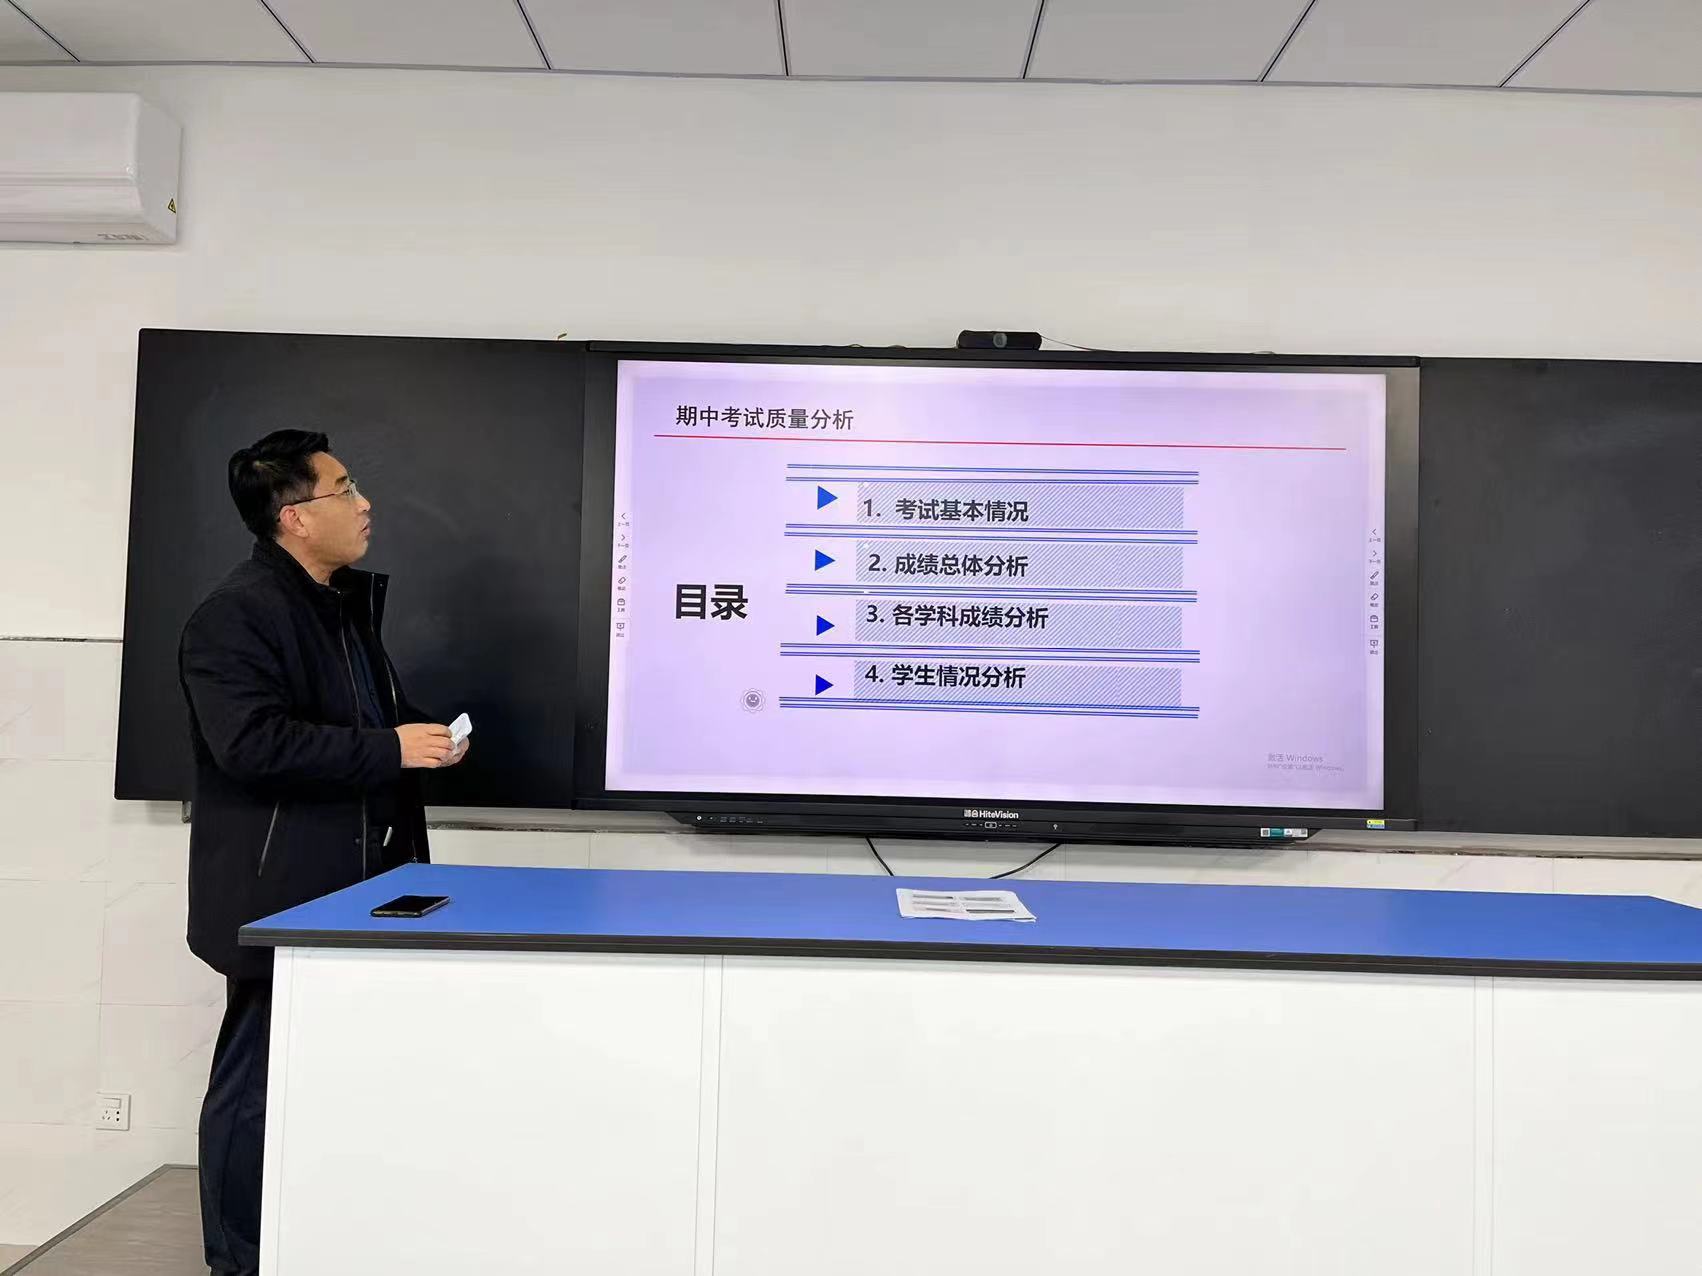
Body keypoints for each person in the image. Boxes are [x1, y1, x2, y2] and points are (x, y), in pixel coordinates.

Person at [179, 430, 466, 1276]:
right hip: (282, 894)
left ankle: (320, 1239)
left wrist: (425, 738)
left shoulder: (339, 608)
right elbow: (250, 745)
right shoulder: (235, 616)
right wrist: (389, 749)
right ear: (296, 517)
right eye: (345, 490)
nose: (365, 504)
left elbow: (372, 721)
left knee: (337, 1079)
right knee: (257, 1083)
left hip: (362, 886)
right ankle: (237, 1261)